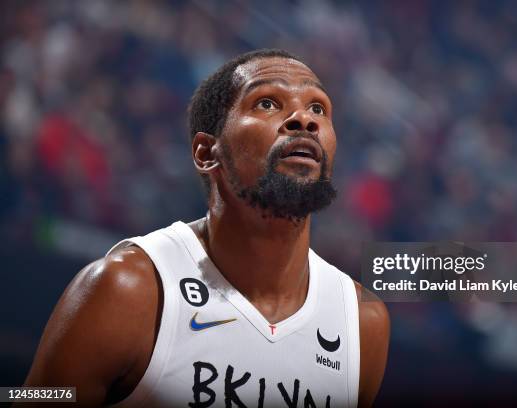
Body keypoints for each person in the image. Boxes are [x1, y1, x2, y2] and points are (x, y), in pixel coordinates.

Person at [24, 49, 390, 407]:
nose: (304, 120)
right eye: (267, 103)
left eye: (318, 108)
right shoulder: (129, 289)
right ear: (206, 152)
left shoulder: (360, 322)